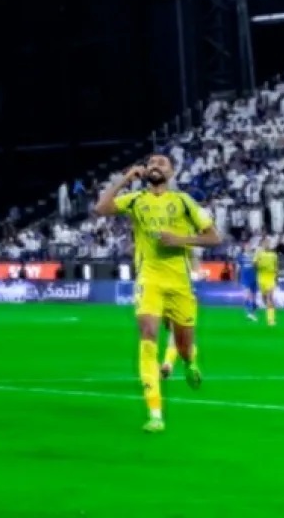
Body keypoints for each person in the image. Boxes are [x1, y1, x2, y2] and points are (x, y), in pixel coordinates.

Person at [93, 154, 220, 433]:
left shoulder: (183, 201)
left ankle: (189, 362)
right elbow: (101, 208)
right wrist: (125, 179)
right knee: (148, 334)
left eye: (162, 163)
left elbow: (214, 237)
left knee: (184, 346)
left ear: (171, 172)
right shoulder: (136, 199)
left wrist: (180, 240)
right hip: (149, 278)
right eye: (151, 163)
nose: (155, 166)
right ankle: (155, 413)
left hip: (180, 283)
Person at [254, 241, 279, 327]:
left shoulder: (274, 255)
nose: (267, 245)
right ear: (262, 246)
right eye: (265, 244)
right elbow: (254, 266)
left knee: (269, 297)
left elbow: (276, 266)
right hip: (261, 279)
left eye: (268, 244)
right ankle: (270, 310)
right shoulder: (259, 254)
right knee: (264, 298)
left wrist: (277, 277)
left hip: (271, 278)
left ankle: (270, 320)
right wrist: (258, 264)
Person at [232, 241, 259, 321]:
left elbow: (257, 267)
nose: (248, 247)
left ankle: (253, 313)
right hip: (245, 278)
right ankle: (248, 313)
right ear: (244, 247)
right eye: (247, 246)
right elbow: (237, 269)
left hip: (254, 278)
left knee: (254, 297)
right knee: (247, 295)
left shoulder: (254, 256)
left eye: (249, 246)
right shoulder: (240, 256)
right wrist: (236, 279)